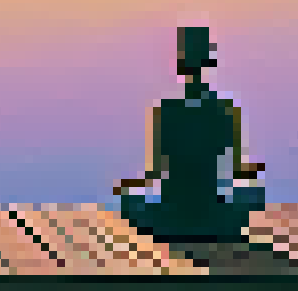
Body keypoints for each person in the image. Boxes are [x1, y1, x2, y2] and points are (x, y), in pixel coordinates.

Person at [113, 26, 267, 243]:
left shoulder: (165, 110)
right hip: (214, 215)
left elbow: (155, 172)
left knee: (128, 199)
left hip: (171, 216)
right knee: (251, 196)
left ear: (179, 63)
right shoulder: (225, 109)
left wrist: (128, 188)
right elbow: (237, 170)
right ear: (210, 61)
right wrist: (253, 176)